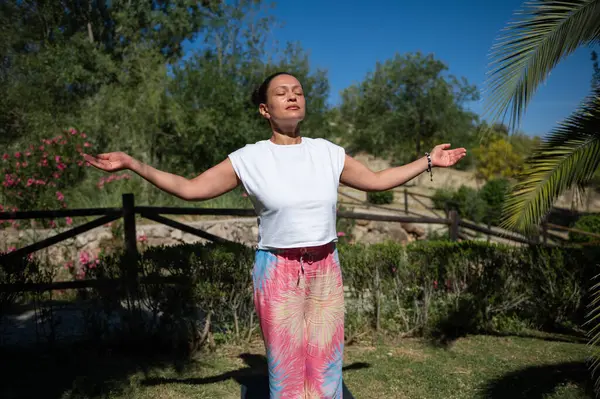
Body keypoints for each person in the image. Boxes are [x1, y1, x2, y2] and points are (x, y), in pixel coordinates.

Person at [84, 71, 466, 398]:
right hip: (278, 269)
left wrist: (428, 160)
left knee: (326, 363)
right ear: (265, 110)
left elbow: (378, 181)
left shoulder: (328, 153)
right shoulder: (248, 159)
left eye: (297, 91)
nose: (292, 96)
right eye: (281, 93)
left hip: (324, 267)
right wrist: (133, 164)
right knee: (285, 369)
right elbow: (189, 187)